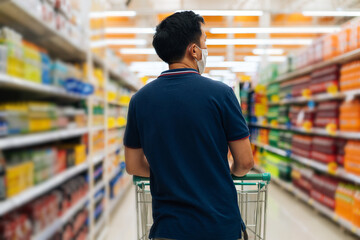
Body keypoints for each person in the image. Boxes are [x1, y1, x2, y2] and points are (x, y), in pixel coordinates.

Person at [124, 11, 254, 240]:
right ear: (193, 50)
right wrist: (230, 172)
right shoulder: (222, 94)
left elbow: (133, 165)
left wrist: (169, 171)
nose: (205, 48)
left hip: (169, 229)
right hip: (219, 225)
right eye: (204, 41)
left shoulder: (140, 100)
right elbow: (244, 161)